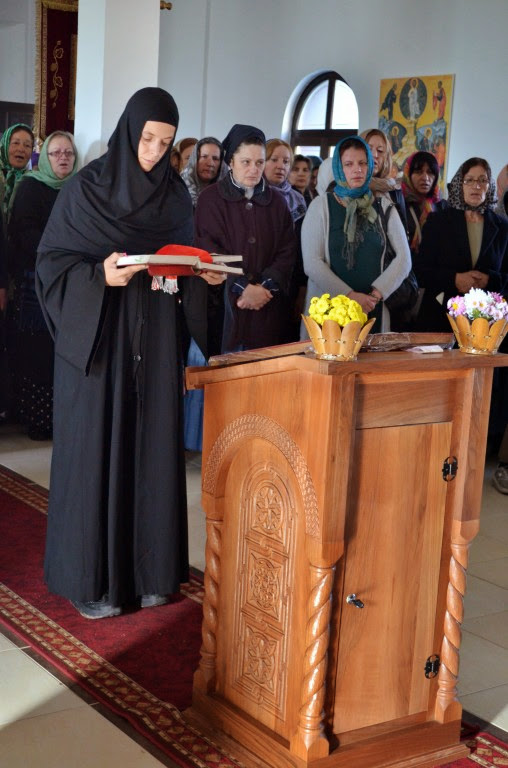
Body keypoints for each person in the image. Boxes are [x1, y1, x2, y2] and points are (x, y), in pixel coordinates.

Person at [35, 88, 223, 619]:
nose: (154, 152)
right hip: (101, 344)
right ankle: (92, 581)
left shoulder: (175, 197)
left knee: (151, 451)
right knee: (99, 451)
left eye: (165, 143)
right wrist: (99, 276)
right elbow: (50, 265)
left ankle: (151, 574)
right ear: (128, 131)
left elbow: (177, 264)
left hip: (156, 339)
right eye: (147, 139)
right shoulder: (86, 191)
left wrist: (202, 276)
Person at [194, 123, 297, 352]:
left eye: (259, 162)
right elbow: (207, 247)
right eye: (246, 162)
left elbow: (287, 250)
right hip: (224, 304)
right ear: (231, 162)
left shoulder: (277, 202)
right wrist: (241, 287)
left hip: (267, 304)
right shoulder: (210, 199)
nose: (254, 169)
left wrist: (265, 288)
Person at [6, 131, 78, 439]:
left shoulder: (79, 188)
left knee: (64, 353)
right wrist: (57, 256)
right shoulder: (31, 187)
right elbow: (23, 232)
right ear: (45, 157)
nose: (63, 158)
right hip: (36, 279)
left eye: (68, 153)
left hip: (71, 282)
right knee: (37, 351)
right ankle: (37, 419)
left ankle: (63, 419)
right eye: (56, 153)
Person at [301, 136, 411, 334]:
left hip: (372, 309)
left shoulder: (384, 206)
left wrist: (374, 296)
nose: (357, 169)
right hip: (329, 310)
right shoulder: (321, 206)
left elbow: (404, 259)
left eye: (362, 163)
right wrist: (350, 296)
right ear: (339, 168)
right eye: (349, 164)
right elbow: (312, 263)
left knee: (371, 354)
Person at [414, 157, 508, 332]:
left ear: (489, 186)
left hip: (484, 323)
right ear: (460, 184)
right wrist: (454, 279)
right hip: (440, 318)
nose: (476, 186)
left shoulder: (503, 227)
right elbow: (420, 271)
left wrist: (489, 280)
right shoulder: (438, 221)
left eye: (482, 180)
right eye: (469, 180)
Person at [264, 138, 307, 341]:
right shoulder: (252, 197)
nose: (281, 166)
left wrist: (302, 290)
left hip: (290, 283)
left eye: (286, 161)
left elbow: (302, 249)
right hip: (258, 282)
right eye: (274, 159)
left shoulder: (298, 200)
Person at [360, 128, 407, 231]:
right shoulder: (347, 188)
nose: (374, 155)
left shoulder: (394, 191)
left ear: (386, 157)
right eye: (369, 149)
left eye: (380, 151)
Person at [401, 151, 444, 257]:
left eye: (430, 172)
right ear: (408, 174)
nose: (425, 178)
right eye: (418, 171)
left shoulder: (442, 207)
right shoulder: (399, 204)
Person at [181, 136, 229, 208]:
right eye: (204, 157)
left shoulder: (228, 191)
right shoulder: (179, 187)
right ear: (195, 159)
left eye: (215, 158)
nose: (210, 163)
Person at [0, 123, 34, 220]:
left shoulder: (33, 182)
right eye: (15, 143)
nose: (21, 149)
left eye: (27, 145)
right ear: (5, 145)